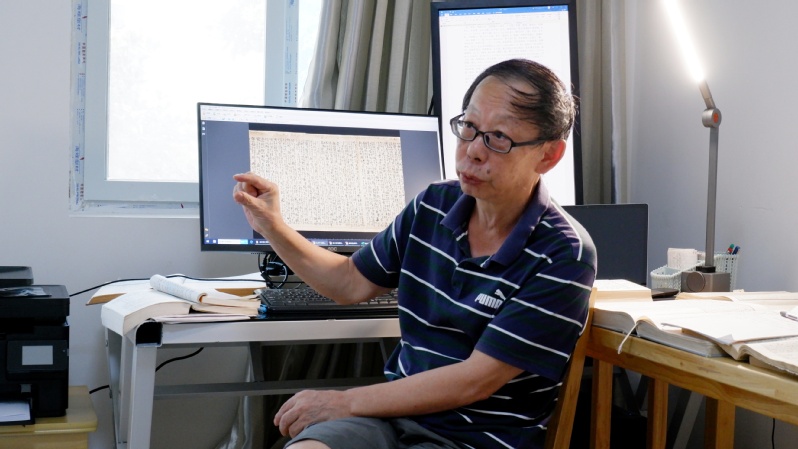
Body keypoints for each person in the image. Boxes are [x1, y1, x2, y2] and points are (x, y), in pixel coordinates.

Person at [233, 58, 596, 449]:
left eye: (498, 138)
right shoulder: (434, 204)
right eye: (469, 128)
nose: (473, 151)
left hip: (472, 439)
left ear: (548, 155)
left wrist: (343, 402)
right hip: (390, 418)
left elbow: (474, 380)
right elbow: (349, 282)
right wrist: (273, 226)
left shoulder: (564, 253)